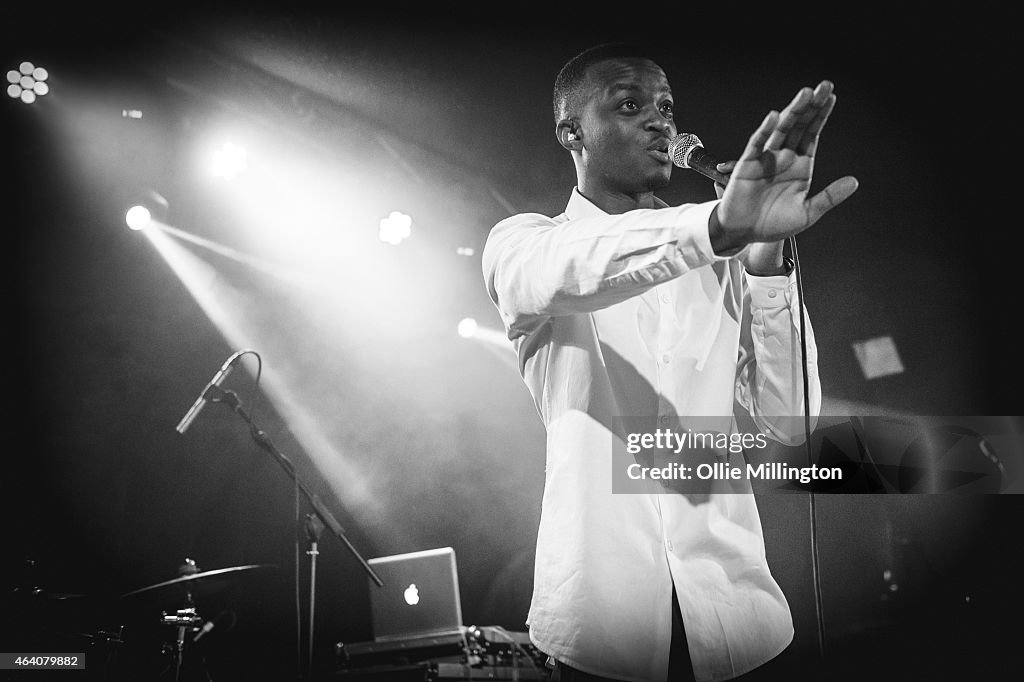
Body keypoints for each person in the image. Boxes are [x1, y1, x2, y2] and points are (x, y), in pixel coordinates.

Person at [481, 42, 858, 682]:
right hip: (599, 626)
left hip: (740, 619)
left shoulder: (727, 259)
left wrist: (766, 267)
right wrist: (716, 227)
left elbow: (784, 426)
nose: (661, 122)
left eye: (666, 106)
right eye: (631, 106)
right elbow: (576, 267)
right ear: (571, 132)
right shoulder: (523, 244)